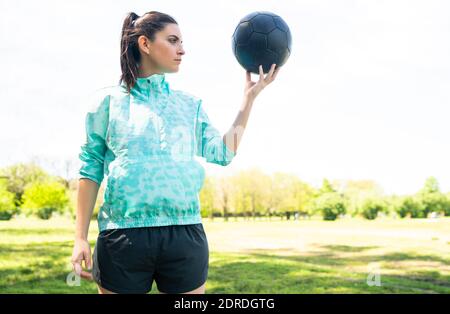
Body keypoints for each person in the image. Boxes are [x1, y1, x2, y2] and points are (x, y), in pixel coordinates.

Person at [71, 10, 280, 294]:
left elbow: (223, 152)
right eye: (173, 40)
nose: (182, 50)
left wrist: (248, 100)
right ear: (145, 44)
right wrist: (80, 238)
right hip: (122, 236)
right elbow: (90, 169)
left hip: (185, 235)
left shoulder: (189, 105)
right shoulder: (106, 103)